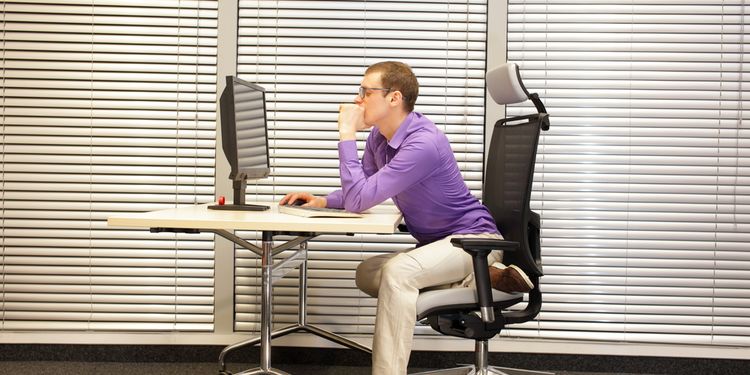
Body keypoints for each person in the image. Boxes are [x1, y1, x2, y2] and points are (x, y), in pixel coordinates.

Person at [279, 61, 533, 375]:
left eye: (365, 92)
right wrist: (323, 200)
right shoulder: (378, 139)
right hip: (440, 247)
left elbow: (360, 199)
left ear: (394, 98)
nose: (358, 99)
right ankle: (477, 277)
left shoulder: (422, 144)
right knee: (367, 272)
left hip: (473, 240)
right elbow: (363, 190)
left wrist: (346, 134)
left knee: (398, 273)